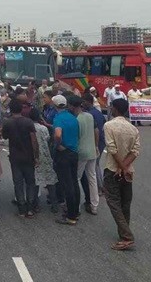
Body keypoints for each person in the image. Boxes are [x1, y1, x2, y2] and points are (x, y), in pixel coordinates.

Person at [103, 99, 140, 251]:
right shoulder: (133, 129)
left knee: (114, 203)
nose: (110, 108)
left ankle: (127, 236)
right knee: (125, 203)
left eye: (112, 107)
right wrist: (125, 167)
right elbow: (135, 151)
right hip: (128, 172)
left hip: (112, 169)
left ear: (116, 109)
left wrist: (120, 167)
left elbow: (111, 149)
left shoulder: (109, 125)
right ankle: (123, 234)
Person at [1, 98, 38, 218]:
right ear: (21, 109)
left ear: (11, 109)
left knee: (18, 183)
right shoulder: (28, 122)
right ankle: (31, 208)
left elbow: (5, 137)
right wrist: (36, 156)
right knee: (30, 182)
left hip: (15, 157)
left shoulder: (7, 122)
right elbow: (33, 140)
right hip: (28, 156)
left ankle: (21, 209)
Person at [52, 95, 80, 225]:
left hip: (64, 153)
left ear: (55, 105)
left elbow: (58, 134)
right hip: (74, 152)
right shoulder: (73, 118)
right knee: (74, 182)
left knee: (67, 185)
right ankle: (75, 211)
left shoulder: (58, 118)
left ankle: (71, 216)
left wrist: (57, 145)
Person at [72, 96, 100, 215]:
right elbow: (96, 131)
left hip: (81, 152)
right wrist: (96, 146)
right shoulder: (89, 116)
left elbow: (76, 137)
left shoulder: (76, 119)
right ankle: (94, 206)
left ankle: (76, 206)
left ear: (72, 106)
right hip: (92, 150)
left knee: (76, 178)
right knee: (92, 178)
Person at [29, 108, 59, 213]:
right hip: (45, 155)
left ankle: (34, 205)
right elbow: (47, 139)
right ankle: (55, 205)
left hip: (34, 156)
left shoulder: (29, 128)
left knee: (35, 181)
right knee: (50, 180)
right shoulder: (43, 128)